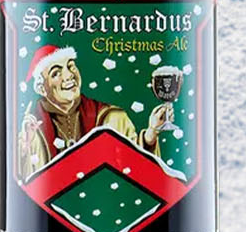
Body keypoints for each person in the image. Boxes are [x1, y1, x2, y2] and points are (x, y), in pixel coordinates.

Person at [16, 45, 170, 180]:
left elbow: (137, 168)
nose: (69, 76)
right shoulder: (32, 129)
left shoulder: (111, 117)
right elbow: (26, 185)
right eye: (56, 73)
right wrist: (25, 147)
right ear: (42, 88)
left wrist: (151, 134)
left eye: (71, 66)